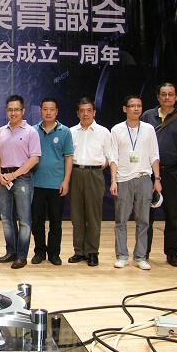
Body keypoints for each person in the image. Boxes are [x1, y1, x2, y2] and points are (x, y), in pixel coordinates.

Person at [141, 82, 177, 267]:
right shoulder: (147, 116)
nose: (167, 97)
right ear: (158, 97)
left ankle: (172, 253)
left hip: (173, 172)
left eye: (170, 94)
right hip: (148, 173)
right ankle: (143, 252)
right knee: (146, 215)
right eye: (163, 94)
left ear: (176, 97)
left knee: (173, 214)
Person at [109, 96, 162, 270]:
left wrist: (157, 179)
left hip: (144, 178)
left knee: (144, 220)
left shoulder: (149, 129)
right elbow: (113, 157)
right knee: (121, 220)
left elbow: (154, 155)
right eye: (132, 106)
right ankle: (122, 256)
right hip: (123, 179)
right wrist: (113, 180)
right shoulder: (117, 130)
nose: (136, 109)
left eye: (139, 105)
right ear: (125, 109)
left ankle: (140, 257)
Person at [0, 95, 41, 269]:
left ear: (23, 111)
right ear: (6, 111)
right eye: (10, 110)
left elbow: (34, 158)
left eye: (16, 110)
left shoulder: (30, 132)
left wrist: (14, 175)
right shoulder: (0, 131)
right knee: (6, 217)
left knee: (24, 220)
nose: (13, 113)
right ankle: (11, 252)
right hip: (4, 178)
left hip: (22, 179)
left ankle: (21, 256)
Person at [68, 97, 111, 267]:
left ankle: (92, 251)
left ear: (94, 112)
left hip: (95, 173)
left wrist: (99, 166)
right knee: (77, 215)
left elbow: (109, 156)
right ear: (77, 113)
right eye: (82, 111)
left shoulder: (103, 132)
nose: (85, 114)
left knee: (93, 215)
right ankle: (79, 251)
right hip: (75, 172)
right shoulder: (71, 132)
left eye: (89, 111)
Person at [30, 97, 73, 266]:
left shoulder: (65, 132)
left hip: (57, 185)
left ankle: (54, 253)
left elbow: (68, 158)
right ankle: (39, 252)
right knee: (37, 222)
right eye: (45, 109)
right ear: (40, 111)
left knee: (56, 222)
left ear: (57, 111)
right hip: (36, 184)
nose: (48, 112)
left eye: (51, 109)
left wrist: (66, 181)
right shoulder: (32, 131)